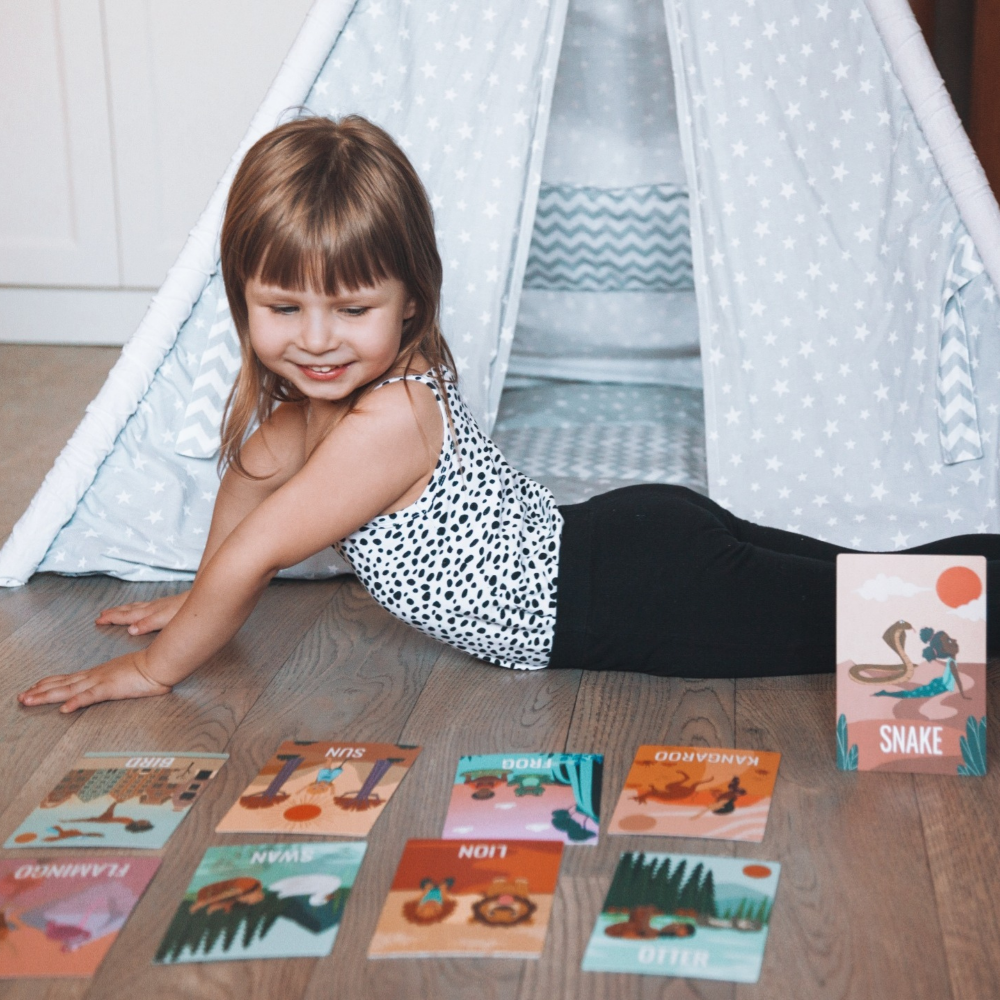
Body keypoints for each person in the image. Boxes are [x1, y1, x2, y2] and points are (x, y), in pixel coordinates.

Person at [16, 115, 1000, 713]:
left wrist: (156, 668)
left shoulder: (386, 421)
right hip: (622, 540)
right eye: (282, 308)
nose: (314, 339)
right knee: (886, 583)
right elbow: (250, 484)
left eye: (351, 308)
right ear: (243, 302)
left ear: (410, 301)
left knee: (889, 613)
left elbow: (252, 554)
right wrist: (197, 600)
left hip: (630, 597)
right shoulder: (305, 409)